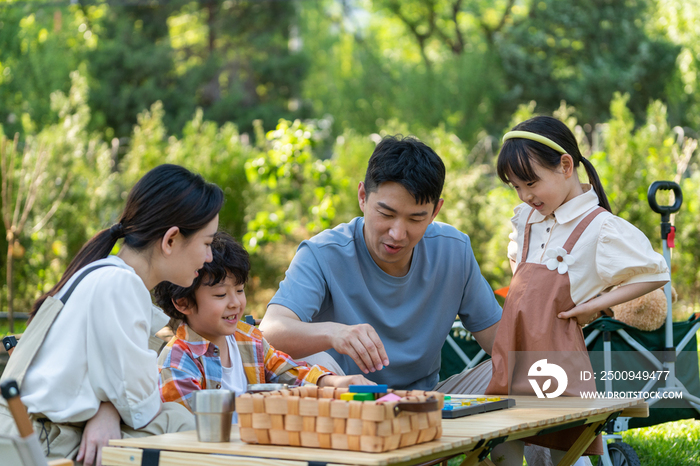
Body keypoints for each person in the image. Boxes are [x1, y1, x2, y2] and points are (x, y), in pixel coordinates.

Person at [0, 164, 224, 466]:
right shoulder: (120, 284)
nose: (209, 257)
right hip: (45, 445)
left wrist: (108, 409)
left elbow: (125, 393)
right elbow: (140, 406)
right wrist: (112, 409)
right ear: (170, 240)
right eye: (207, 243)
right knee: (185, 426)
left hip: (33, 434)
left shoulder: (101, 273)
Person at [485, 116, 669, 466]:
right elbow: (518, 263)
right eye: (515, 187)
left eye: (530, 182)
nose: (525, 195)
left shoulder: (598, 228)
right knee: (502, 437)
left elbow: (656, 272)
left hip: (555, 351)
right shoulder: (527, 219)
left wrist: (596, 305)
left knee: (563, 441)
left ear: (565, 165)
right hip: (513, 344)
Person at [259, 135, 502, 392]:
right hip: (348, 397)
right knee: (315, 361)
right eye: (386, 214)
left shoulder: (454, 250)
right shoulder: (322, 253)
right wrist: (335, 333)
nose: (397, 233)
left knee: (526, 370)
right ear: (363, 197)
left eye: (415, 219)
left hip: (427, 400)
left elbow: (501, 343)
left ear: (435, 212)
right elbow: (270, 332)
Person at [153, 231, 374, 413]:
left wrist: (333, 383)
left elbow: (289, 372)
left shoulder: (249, 340)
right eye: (220, 295)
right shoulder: (177, 362)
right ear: (183, 303)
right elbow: (188, 429)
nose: (235, 303)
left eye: (239, 290)